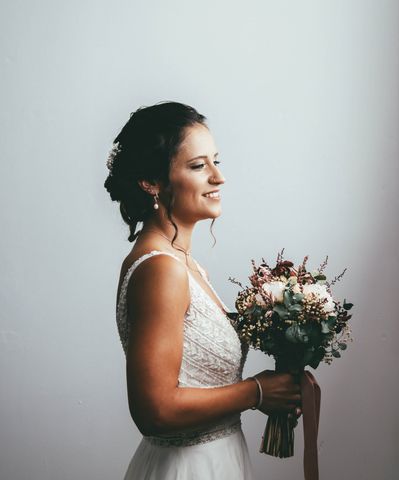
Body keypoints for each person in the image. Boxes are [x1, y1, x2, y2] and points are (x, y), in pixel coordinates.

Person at [104, 101, 302, 479]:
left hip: (218, 459)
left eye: (216, 161)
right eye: (198, 166)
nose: (218, 177)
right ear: (152, 182)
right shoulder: (161, 269)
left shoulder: (186, 265)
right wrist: (256, 392)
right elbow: (154, 411)